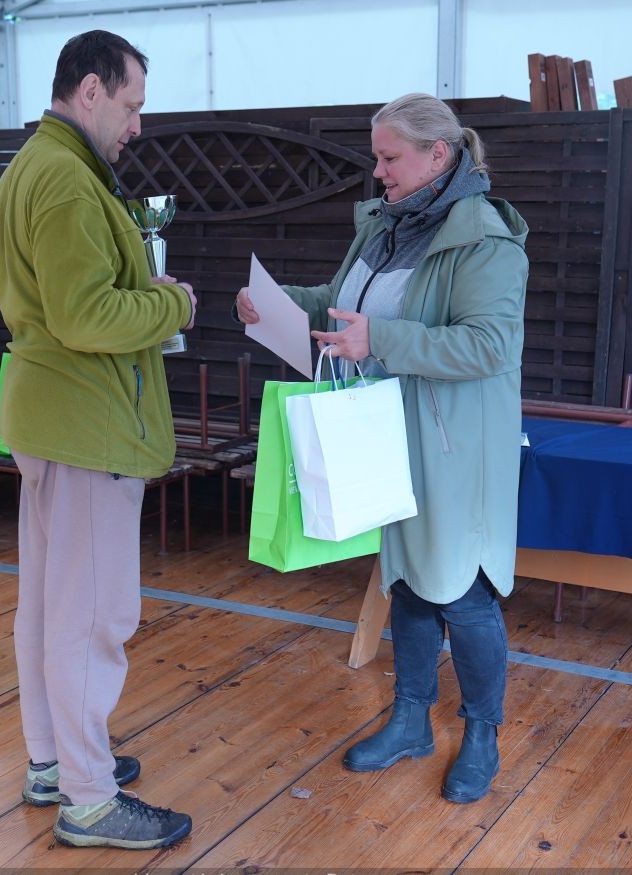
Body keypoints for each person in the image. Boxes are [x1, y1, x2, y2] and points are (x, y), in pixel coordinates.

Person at [235, 93, 528, 803]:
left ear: (438, 155)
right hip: (390, 435)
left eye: (389, 157)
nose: (378, 171)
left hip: (457, 452)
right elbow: (347, 305)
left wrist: (383, 340)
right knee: (407, 583)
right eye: (377, 156)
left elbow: (490, 345)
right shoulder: (384, 226)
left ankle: (482, 734)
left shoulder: (485, 238)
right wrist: (279, 302)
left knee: (463, 593)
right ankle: (410, 721)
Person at [0, 30, 196, 848]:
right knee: (92, 617)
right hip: (86, 426)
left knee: (49, 607)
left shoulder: (36, 165)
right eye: (131, 105)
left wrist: (137, 289)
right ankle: (88, 798)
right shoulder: (68, 181)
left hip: (51, 417)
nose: (137, 125)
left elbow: (65, 303)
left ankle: (55, 762)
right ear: (89, 91)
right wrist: (171, 302)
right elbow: (85, 316)